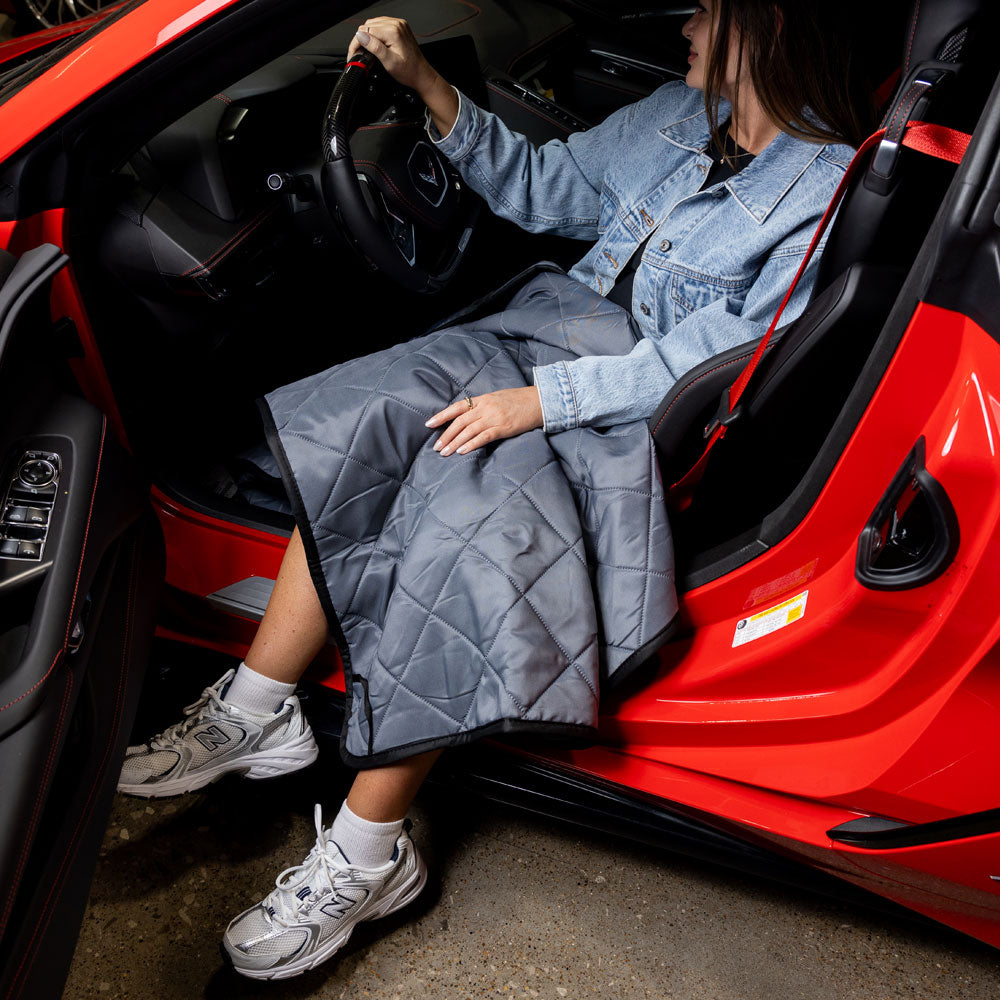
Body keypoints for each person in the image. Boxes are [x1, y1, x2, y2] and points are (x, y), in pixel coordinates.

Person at [118, 0, 872, 980]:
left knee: (451, 505)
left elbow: (706, 362)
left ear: (769, 25)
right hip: (543, 335)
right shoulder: (675, 117)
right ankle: (260, 706)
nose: (685, 22)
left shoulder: (825, 190)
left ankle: (366, 853)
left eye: (707, 8)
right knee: (362, 416)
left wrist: (536, 406)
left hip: (629, 424)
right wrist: (429, 87)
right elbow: (548, 187)